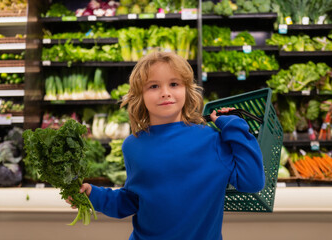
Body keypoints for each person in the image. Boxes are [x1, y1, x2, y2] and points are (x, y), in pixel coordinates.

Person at [66, 51, 265, 240]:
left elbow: (252, 181)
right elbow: (132, 200)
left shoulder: (212, 139)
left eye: (174, 84)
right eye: (153, 86)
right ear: (139, 96)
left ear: (187, 90)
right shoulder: (133, 146)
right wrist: (94, 194)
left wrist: (233, 125)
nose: (165, 93)